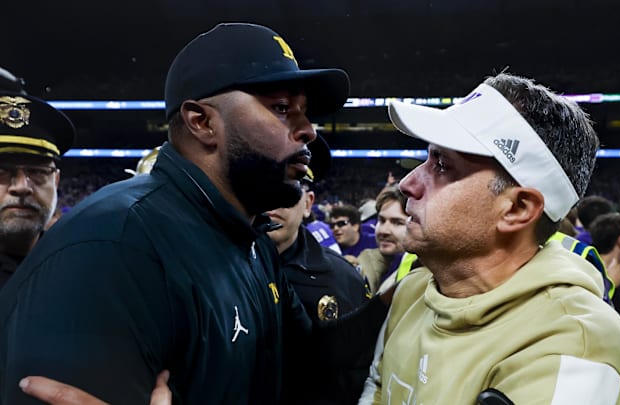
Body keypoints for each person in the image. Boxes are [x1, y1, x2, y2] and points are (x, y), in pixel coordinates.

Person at [0, 22, 390, 404]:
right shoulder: (115, 245)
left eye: (306, 114)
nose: (309, 132)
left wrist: (401, 300)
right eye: (283, 109)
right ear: (202, 122)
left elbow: (307, 359)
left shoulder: (248, 238)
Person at [359, 73, 620, 404]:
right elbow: (376, 387)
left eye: (443, 165)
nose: (408, 183)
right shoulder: (413, 289)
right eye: (427, 157)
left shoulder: (576, 347)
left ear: (517, 209)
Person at [264, 138, 374, 404]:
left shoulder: (343, 280)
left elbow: (358, 374)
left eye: (288, 187)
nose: (275, 199)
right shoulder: (216, 266)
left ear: (308, 203)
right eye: (266, 185)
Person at [0, 66, 75, 289]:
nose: (22, 187)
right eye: (2, 170)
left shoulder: (85, 270)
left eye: (38, 171)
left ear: (57, 181)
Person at [357, 185, 419, 294]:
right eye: (381, 220)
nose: (384, 231)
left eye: (397, 223)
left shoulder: (424, 276)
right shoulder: (363, 265)